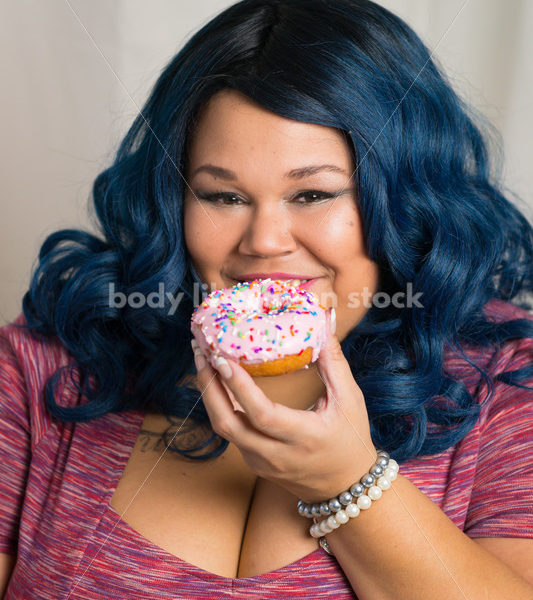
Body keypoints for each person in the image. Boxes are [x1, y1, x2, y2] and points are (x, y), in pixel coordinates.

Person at [1, 0, 533, 597]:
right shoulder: (44, 367)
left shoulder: (511, 385)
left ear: (407, 200)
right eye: (222, 197)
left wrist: (347, 480)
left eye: (312, 195)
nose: (264, 243)